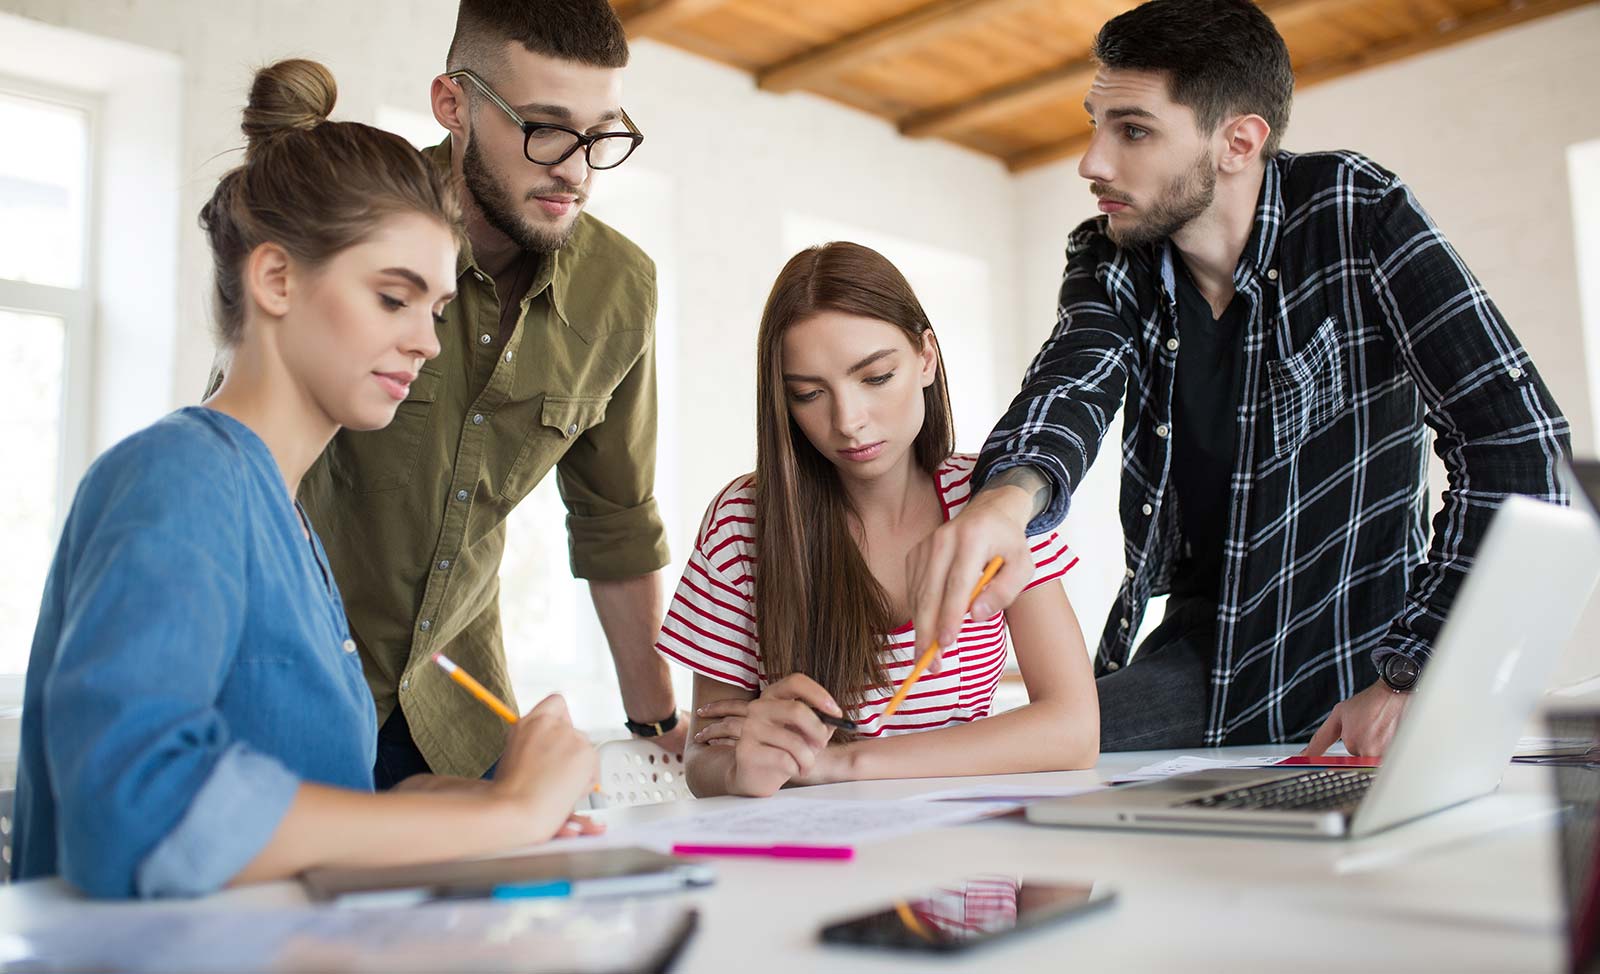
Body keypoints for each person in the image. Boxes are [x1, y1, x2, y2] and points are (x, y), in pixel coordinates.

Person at [905, 0, 1570, 756]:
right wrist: (1003, 500)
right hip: (1201, 660)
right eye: (1095, 123)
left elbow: (1521, 445)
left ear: (1238, 142)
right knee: (971, 763)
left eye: (1132, 130)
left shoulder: (1355, 211)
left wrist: (1416, 672)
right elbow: (1074, 378)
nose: (1091, 161)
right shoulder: (1107, 257)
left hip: (1368, 654)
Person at [11, 60, 601, 899]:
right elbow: (137, 812)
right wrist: (502, 816)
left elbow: (299, 799)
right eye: (393, 299)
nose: (428, 344)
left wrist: (474, 803)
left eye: (434, 311)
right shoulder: (177, 479)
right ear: (277, 279)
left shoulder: (280, 517)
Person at [288, 0, 681, 785]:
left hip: (457, 711)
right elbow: (255, 457)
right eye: (544, 127)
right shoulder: (354, 225)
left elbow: (616, 522)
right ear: (453, 105)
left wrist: (661, 732)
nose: (573, 167)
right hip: (297, 696)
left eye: (599, 135)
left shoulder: (620, 288)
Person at [657, 243, 1099, 798]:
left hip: (967, 855)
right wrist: (741, 767)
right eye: (809, 394)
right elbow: (704, 760)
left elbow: (1075, 731)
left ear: (926, 359)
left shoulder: (990, 500)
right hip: (820, 863)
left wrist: (846, 763)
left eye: (875, 377)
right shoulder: (742, 521)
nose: (848, 422)